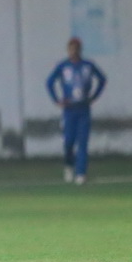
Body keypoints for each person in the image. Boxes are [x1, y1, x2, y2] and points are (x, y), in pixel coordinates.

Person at [45, 37, 107, 185]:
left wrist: (94, 96)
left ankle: (81, 173)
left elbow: (102, 79)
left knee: (83, 141)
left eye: (76, 49)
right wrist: (57, 100)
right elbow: (49, 82)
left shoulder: (88, 66)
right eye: (71, 49)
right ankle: (69, 165)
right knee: (69, 141)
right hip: (69, 109)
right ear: (68, 50)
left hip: (83, 108)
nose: (73, 52)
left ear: (80, 50)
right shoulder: (63, 66)